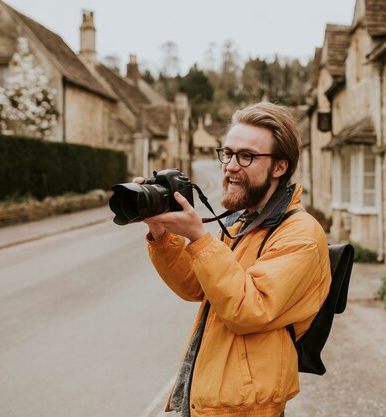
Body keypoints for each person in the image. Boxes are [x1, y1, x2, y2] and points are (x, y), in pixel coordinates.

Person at [140, 102, 331, 417]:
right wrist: (160, 231)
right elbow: (196, 287)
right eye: (227, 154)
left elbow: (249, 309)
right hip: (214, 400)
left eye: (247, 156)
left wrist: (200, 238)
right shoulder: (245, 224)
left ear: (280, 167)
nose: (229, 166)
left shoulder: (301, 234)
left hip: (244, 409)